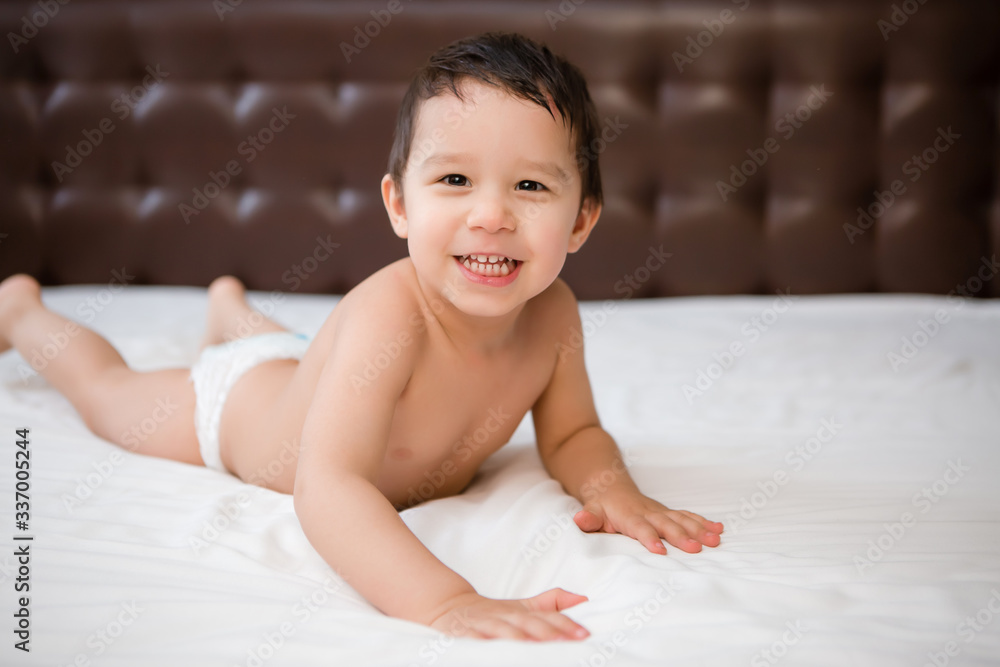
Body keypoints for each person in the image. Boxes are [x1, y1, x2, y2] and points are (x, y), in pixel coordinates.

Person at [0, 32, 722, 641]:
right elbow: (329, 484)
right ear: (399, 203)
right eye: (456, 179)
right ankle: (24, 312)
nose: (492, 214)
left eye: (531, 187)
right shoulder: (390, 312)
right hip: (237, 412)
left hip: (296, 367)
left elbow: (572, 434)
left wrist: (614, 488)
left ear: (582, 220)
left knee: (286, 353)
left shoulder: (555, 312)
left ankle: (230, 311)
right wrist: (444, 600)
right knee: (109, 393)